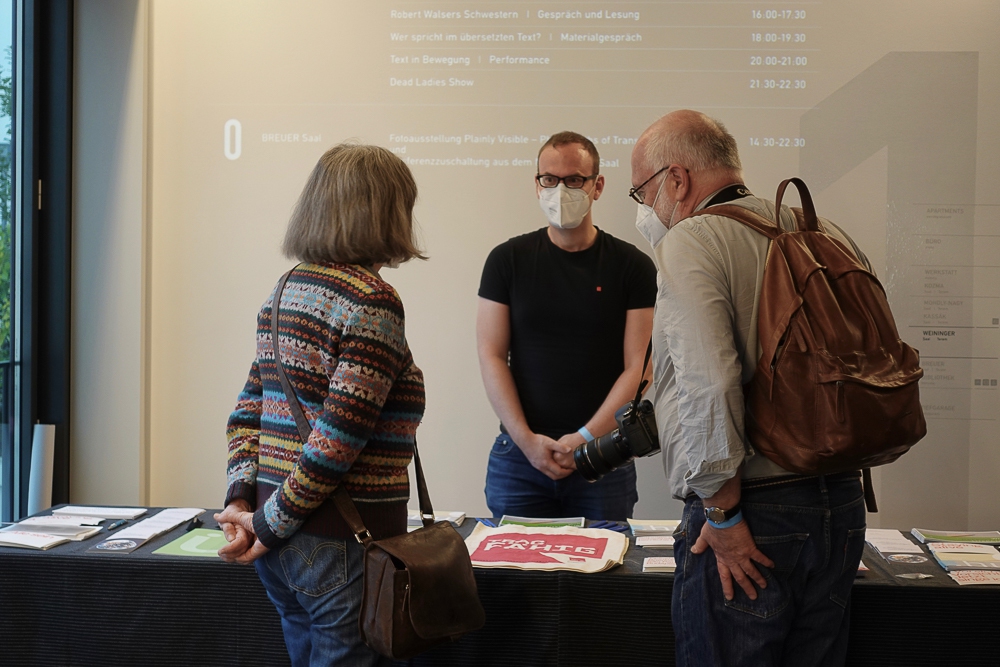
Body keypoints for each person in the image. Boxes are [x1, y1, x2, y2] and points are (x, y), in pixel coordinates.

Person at [630, 110, 868, 666]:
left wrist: (721, 513)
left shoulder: (693, 240)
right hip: (842, 500)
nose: (645, 210)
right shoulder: (823, 230)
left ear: (677, 179)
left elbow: (708, 383)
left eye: (642, 193)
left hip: (754, 510)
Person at [215, 144, 426, 667]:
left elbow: (246, 413)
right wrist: (266, 524)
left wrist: (242, 502)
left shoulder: (286, 289)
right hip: (340, 543)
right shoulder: (372, 301)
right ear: (386, 211)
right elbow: (335, 443)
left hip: (279, 541)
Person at [477, 131, 657, 520]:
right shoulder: (507, 261)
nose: (560, 190)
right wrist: (527, 441)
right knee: (512, 562)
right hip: (519, 458)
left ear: (597, 186)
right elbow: (491, 355)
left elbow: (640, 368)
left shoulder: (633, 267)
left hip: (602, 458)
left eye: (574, 180)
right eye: (550, 179)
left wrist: (584, 439)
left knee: (607, 561)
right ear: (537, 184)